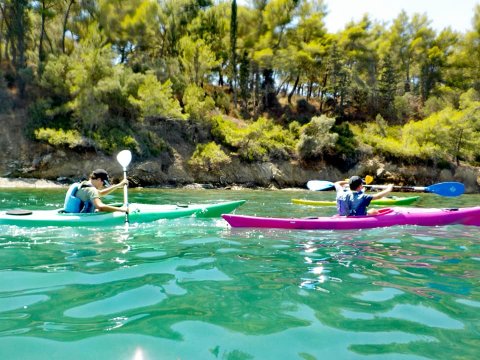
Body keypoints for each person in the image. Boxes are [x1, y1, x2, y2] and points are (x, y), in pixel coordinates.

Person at [64, 169, 129, 213]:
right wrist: (121, 210)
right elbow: (100, 206)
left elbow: (100, 193)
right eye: (103, 183)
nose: (102, 185)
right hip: (84, 219)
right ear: (99, 179)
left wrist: (118, 185)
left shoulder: (84, 185)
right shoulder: (92, 190)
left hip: (73, 215)